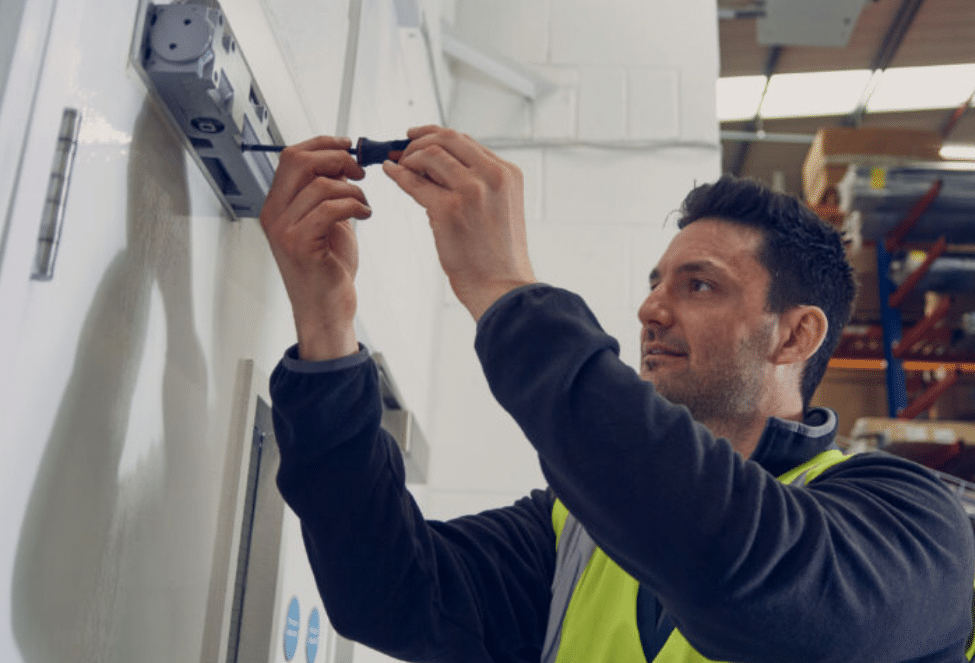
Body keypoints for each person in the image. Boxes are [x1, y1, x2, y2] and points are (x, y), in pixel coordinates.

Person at [259, 126, 975, 662]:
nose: (650, 310)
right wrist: (327, 326)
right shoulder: (577, 531)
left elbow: (738, 573)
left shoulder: (916, 528)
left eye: (698, 284)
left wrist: (509, 294)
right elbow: (387, 592)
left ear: (794, 337)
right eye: (653, 283)